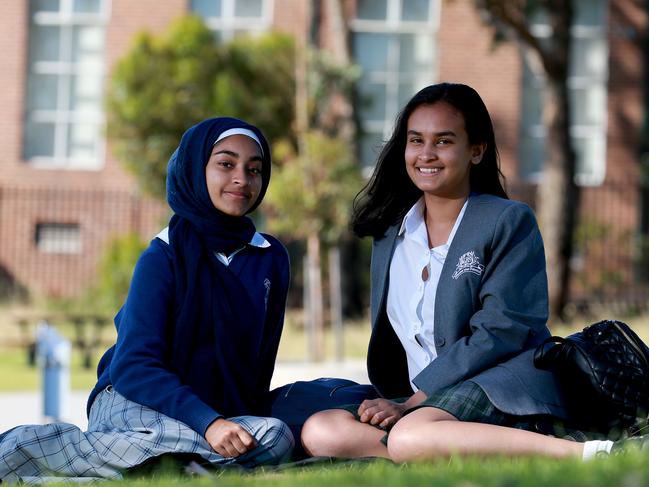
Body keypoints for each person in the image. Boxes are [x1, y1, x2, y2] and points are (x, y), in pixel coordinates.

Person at [300, 82, 646, 462]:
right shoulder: (390, 233)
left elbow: (503, 330)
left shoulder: (507, 220)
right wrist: (405, 400)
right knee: (322, 430)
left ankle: (590, 453)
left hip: (502, 381)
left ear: (476, 151)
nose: (426, 154)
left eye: (444, 141)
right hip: (428, 398)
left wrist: (416, 401)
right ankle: (449, 445)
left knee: (407, 435)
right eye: (416, 140)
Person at [0, 117, 293, 483]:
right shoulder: (164, 255)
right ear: (195, 169)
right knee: (172, 439)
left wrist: (226, 424)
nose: (242, 179)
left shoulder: (270, 257)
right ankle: (22, 448)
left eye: (255, 169)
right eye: (226, 164)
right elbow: (134, 367)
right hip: (136, 400)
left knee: (275, 435)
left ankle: (109, 472)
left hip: (207, 415)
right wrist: (209, 425)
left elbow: (258, 365)